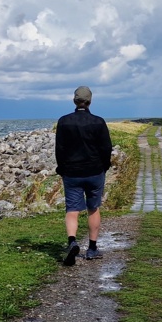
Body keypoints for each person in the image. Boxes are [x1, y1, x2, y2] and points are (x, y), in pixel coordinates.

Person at [54, 85, 113, 265]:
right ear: (90, 101)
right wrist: (104, 167)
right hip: (95, 171)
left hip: (72, 172)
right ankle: (92, 248)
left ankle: (72, 241)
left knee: (72, 209)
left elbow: (60, 149)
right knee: (93, 208)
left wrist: (61, 168)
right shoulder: (98, 121)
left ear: (74, 100)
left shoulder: (63, 121)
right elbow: (106, 148)